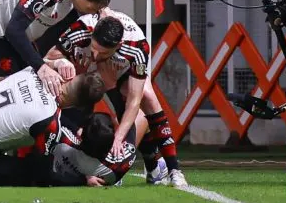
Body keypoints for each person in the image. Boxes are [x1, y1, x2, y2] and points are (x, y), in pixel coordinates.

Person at [48, 11, 187, 187]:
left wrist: (118, 137)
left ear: (118, 45)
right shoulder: (81, 29)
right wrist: (61, 63)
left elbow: (134, 101)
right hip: (79, 66)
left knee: (147, 98)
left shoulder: (137, 46)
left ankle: (173, 169)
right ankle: (153, 162)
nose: (96, 56)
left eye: (103, 52)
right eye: (95, 49)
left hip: (119, 71)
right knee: (67, 96)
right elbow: (46, 59)